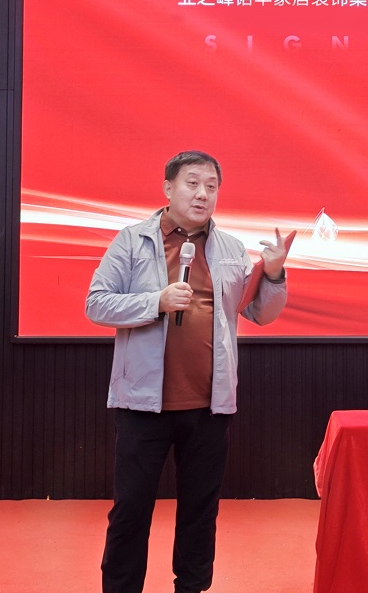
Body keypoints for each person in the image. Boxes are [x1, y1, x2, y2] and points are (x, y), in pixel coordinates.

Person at [86, 150, 290, 593]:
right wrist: (154, 302)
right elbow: (96, 304)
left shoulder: (231, 249)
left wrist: (274, 274)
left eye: (211, 186)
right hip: (143, 405)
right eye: (192, 183)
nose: (202, 194)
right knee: (131, 511)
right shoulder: (132, 241)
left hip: (209, 406)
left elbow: (260, 313)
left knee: (200, 513)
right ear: (168, 188)